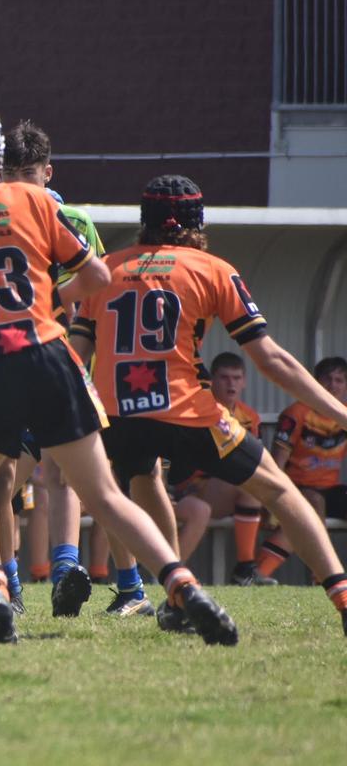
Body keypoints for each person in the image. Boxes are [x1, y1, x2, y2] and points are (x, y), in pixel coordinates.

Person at [0, 105, 237, 646]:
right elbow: (96, 275)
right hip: (51, 354)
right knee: (103, 492)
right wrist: (48, 300)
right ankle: (182, 585)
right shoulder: (32, 200)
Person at [68, 174, 347, 637]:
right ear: (197, 222)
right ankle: (341, 594)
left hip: (118, 414)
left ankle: (178, 596)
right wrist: (340, 412)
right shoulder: (213, 269)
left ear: (145, 222)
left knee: (144, 477)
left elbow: (75, 354)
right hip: (187, 410)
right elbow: (271, 360)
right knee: (279, 491)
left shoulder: (105, 269)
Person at [170, 352, 275, 583]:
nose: (231, 384)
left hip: (225, 488)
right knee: (247, 483)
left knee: (257, 486)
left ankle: (246, 569)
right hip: (192, 488)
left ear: (245, 381)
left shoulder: (250, 417)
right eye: (224, 378)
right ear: (212, 380)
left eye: (236, 378)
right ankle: (171, 576)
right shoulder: (199, 410)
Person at [255, 356, 347, 580]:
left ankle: (258, 574)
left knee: (318, 501)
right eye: (327, 379)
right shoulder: (296, 413)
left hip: (330, 488)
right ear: (314, 382)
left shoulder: (343, 415)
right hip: (296, 487)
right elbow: (278, 461)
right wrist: (271, 501)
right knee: (312, 504)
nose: (332, 385)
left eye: (339, 380)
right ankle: (325, 577)